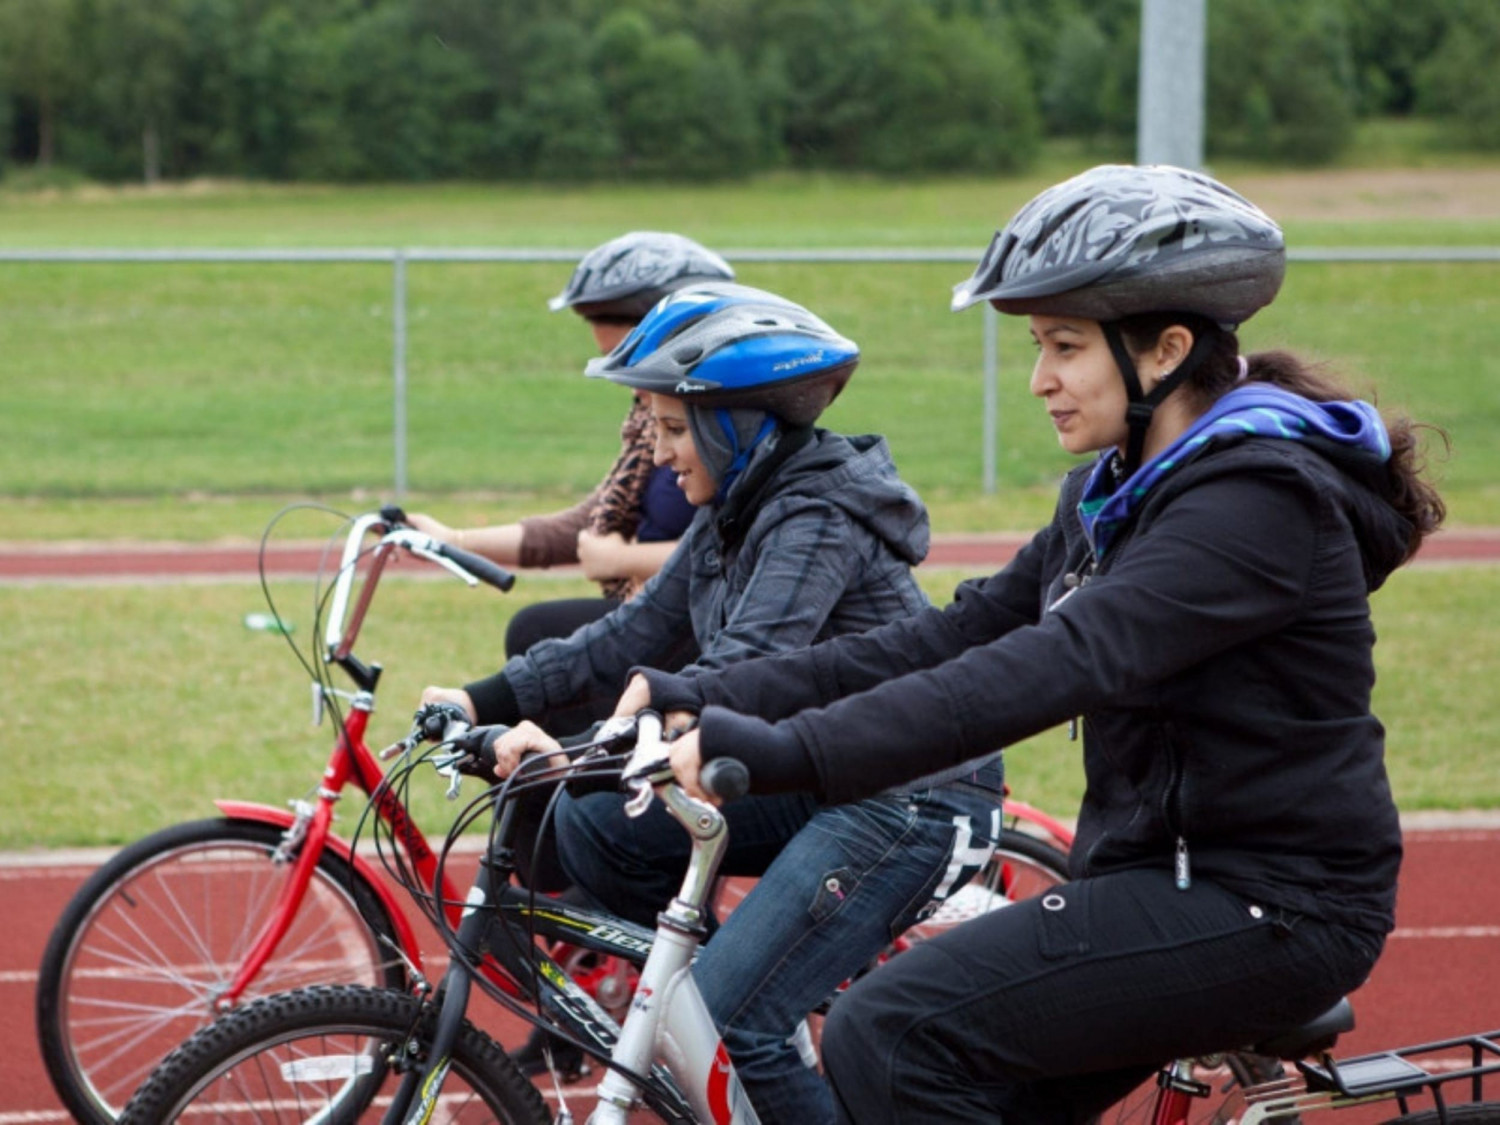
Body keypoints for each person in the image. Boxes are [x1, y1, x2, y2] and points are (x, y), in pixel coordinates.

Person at [627, 164, 1447, 1124]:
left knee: (888, 1031)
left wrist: (788, 754)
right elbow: (954, 634)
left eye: (1065, 345)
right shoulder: (1118, 490)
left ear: (1166, 350)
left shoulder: (1254, 507)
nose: (1040, 379)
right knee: (944, 1069)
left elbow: (1055, 664)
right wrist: (716, 693)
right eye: (1036, 344)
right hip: (1159, 876)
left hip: (1271, 902)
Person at [421, 281, 1007, 1124]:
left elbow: (738, 669)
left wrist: (572, 748)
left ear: (736, 425)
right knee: (594, 826)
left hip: (911, 793)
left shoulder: (814, 513)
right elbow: (629, 638)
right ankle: (728, 1009)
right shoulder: (733, 507)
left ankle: (743, 1018)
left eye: (667, 427)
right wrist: (481, 699)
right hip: (822, 767)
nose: (657, 453)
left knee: (732, 1020)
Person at [410, 230, 732, 668]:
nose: (626, 381)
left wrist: (624, 558)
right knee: (537, 637)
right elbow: (584, 527)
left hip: (706, 628)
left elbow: (737, 547)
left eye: (632, 361)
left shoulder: (727, 425)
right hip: (656, 612)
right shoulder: (648, 424)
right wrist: (453, 541)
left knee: (537, 633)